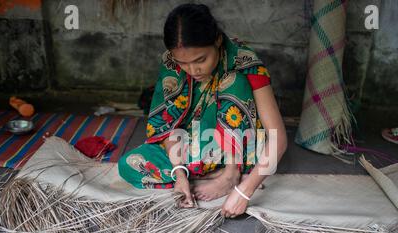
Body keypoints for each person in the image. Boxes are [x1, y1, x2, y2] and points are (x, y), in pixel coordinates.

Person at [118, 3, 287, 218]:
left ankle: (231, 175)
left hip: (241, 150)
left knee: (233, 81)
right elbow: (168, 126)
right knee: (129, 165)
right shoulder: (171, 66)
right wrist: (179, 174)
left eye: (201, 60)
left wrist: (245, 192)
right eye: (184, 63)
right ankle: (202, 174)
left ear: (217, 40)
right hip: (193, 147)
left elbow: (278, 138)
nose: (193, 70)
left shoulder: (245, 62)